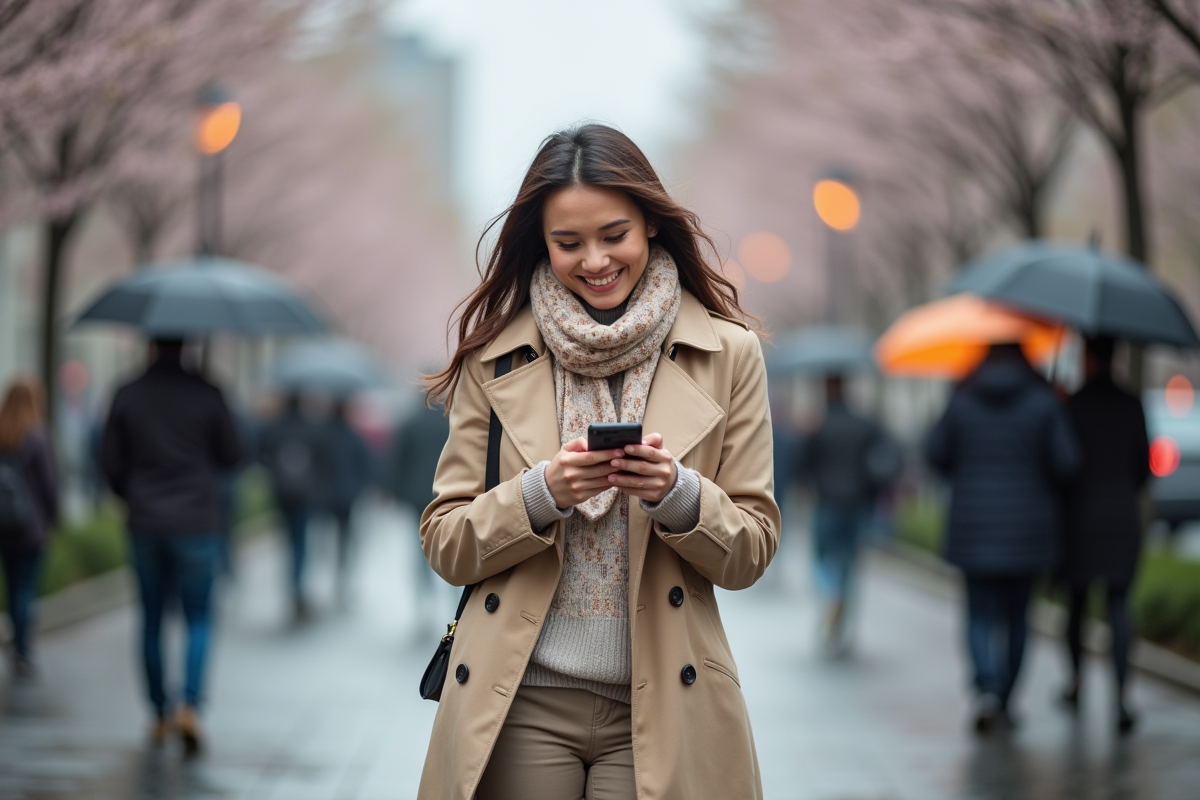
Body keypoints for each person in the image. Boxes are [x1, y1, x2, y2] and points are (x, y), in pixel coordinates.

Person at [418, 124, 779, 800]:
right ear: (541, 242)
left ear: (650, 225)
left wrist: (677, 494)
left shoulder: (729, 354)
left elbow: (753, 550)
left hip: (665, 699)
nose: (594, 260)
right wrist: (539, 493)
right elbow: (444, 541)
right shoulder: (493, 356)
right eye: (568, 243)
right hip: (521, 697)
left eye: (614, 236)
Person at [926, 343, 1080, 734]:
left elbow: (935, 454)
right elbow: (1067, 464)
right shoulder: (1044, 402)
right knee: (1017, 619)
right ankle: (1006, 697)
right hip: (1028, 531)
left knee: (978, 614)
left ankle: (987, 691)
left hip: (974, 528)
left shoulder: (963, 399)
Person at [100, 338, 242, 753]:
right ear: (186, 346)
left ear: (150, 345)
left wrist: (134, 494)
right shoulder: (209, 392)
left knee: (151, 617)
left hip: (145, 521)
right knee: (198, 617)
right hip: (198, 521)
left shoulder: (126, 393)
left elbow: (108, 460)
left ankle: (159, 711)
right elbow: (233, 455)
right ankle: (191, 706)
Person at [1059, 336, 1150, 734]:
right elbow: (1144, 467)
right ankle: (1121, 694)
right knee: (1118, 606)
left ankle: (1076, 681)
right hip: (1121, 518)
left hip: (1079, 519)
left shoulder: (1071, 405)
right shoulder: (1133, 404)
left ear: (1086, 358)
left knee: (1076, 605)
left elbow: (1061, 464)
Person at [798, 374, 898, 654]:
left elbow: (802, 466)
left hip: (827, 503)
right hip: (857, 505)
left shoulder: (819, 426)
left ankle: (831, 593)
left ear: (826, 391)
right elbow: (885, 457)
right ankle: (844, 627)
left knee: (821, 557)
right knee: (850, 564)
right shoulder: (865, 424)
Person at [0, 378, 59, 679]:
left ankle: (16, 642)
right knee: (26, 588)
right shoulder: (38, 437)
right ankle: (23, 649)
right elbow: (49, 485)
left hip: (4, 526)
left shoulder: (3, 434)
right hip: (32, 526)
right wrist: (54, 520)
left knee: (12, 587)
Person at [257, 393, 328, 622]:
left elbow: (261, 456)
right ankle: (298, 590)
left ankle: (293, 589)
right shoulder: (312, 428)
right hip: (305, 495)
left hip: (282, 493)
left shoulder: (274, 428)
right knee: (301, 542)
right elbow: (322, 460)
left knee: (290, 541)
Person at [387, 398, 451, 624]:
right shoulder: (452, 423)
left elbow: (397, 462)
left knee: (420, 551)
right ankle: (455, 602)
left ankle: (424, 602)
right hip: (447, 494)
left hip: (417, 498)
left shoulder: (410, 423)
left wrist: (394, 493)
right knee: (453, 546)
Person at [320, 398, 371, 602]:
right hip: (348, 495)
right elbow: (364, 466)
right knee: (345, 536)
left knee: (326, 535)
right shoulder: (353, 437)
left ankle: (332, 571)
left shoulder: (322, 436)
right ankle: (342, 574)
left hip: (326, 495)